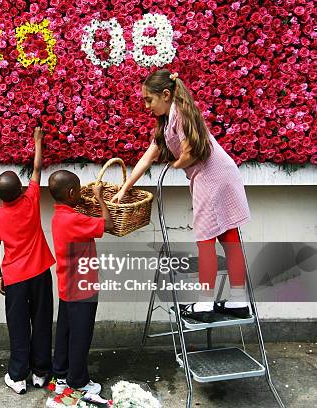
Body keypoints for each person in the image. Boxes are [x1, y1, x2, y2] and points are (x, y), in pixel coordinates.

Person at [112, 69, 251, 322]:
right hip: (223, 173)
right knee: (228, 236)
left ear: (166, 95)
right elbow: (147, 158)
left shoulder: (181, 115)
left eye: (148, 100)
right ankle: (240, 301)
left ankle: (206, 304)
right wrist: (124, 188)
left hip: (211, 177)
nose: (146, 106)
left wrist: (174, 165)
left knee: (206, 238)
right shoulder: (169, 119)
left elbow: (191, 153)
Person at [0, 127, 56, 394]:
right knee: (41, 321)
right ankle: (40, 372)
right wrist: (38, 141)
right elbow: (37, 169)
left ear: (0, 196)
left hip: (14, 279)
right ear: (19, 189)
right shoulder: (31, 200)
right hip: (39, 274)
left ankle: (18, 377)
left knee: (18, 327)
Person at [48, 169, 114, 395]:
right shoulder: (75, 219)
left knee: (66, 331)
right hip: (82, 288)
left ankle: (61, 375)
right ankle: (78, 380)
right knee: (81, 335)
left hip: (66, 286)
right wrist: (99, 198)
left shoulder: (59, 216)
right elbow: (109, 224)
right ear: (71, 192)